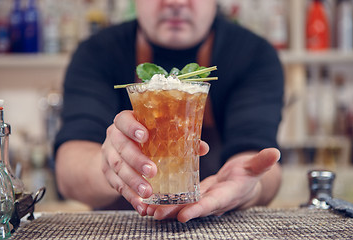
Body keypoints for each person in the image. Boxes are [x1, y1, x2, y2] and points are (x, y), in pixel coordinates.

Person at [54, 0, 284, 223]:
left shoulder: (253, 53)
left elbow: (263, 162)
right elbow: (68, 169)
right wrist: (110, 167)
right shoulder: (97, 52)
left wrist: (250, 185)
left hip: (217, 225)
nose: (175, 2)